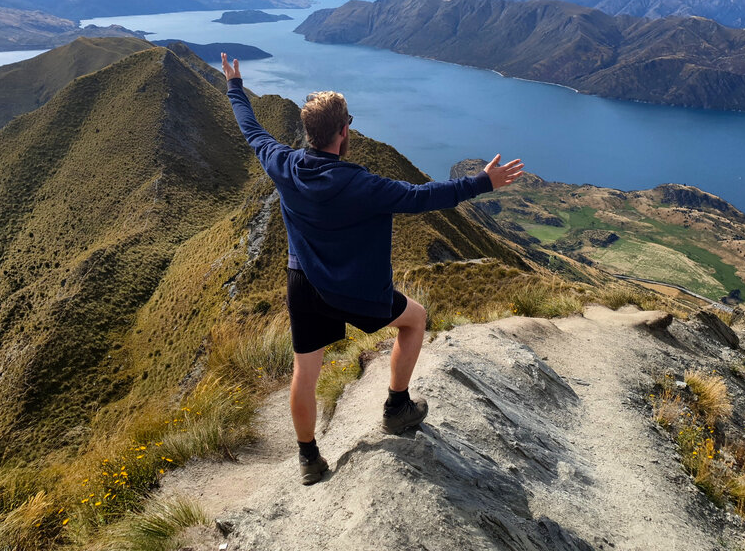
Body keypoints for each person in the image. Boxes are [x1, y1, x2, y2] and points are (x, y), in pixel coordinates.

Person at [221, 54, 523, 485]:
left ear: (309, 132)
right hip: (357, 291)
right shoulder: (363, 185)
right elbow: (424, 197)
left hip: (303, 285)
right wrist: (481, 182)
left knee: (304, 373)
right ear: (344, 131)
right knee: (414, 319)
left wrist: (235, 85)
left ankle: (308, 458)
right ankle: (396, 408)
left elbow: (251, 129)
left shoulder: (283, 165)